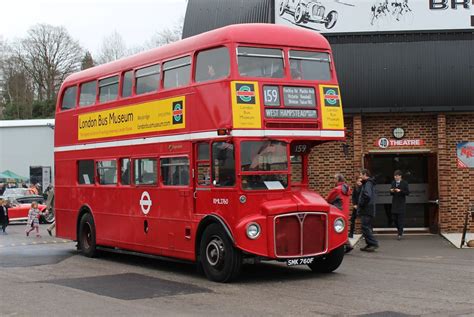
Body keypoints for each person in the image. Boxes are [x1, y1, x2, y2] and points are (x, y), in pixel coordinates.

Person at [326, 173, 353, 253]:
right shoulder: (347, 188)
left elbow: (329, 200)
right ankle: (347, 245)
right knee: (342, 228)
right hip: (345, 211)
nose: (333, 180)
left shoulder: (337, 189)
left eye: (334, 178)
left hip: (338, 211)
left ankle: (343, 246)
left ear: (338, 180)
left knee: (334, 229)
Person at [358, 169, 379, 252]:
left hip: (367, 208)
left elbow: (367, 195)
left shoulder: (368, 183)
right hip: (368, 208)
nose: (360, 176)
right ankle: (369, 244)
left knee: (365, 226)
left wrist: (362, 204)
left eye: (361, 174)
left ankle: (373, 243)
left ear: (365, 174)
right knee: (366, 227)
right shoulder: (367, 183)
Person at [390, 170, 410, 240]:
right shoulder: (393, 182)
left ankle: (400, 234)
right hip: (394, 203)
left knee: (400, 220)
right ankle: (399, 230)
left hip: (401, 203)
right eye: (394, 176)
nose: (395, 177)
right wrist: (391, 191)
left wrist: (400, 191)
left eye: (397, 176)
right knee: (394, 219)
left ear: (400, 176)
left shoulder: (405, 183)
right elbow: (391, 193)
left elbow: (407, 192)